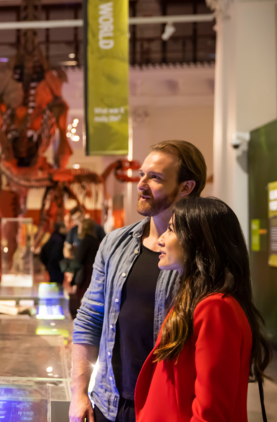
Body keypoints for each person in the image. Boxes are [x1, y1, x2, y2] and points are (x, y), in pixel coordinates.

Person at [69, 140, 208, 422]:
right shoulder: (115, 243)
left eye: (155, 177)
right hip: (110, 404)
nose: (141, 184)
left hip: (169, 408)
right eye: (142, 174)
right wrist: (78, 392)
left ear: (186, 187)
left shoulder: (203, 251)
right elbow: (89, 319)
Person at [135, 197, 272, 421]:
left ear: (197, 241)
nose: (160, 239)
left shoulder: (215, 308)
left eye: (171, 230)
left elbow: (211, 411)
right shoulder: (197, 300)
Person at [67, 219, 101, 319]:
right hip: (92, 272)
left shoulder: (86, 240)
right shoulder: (95, 240)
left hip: (85, 273)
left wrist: (72, 276)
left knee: (81, 298)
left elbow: (78, 260)